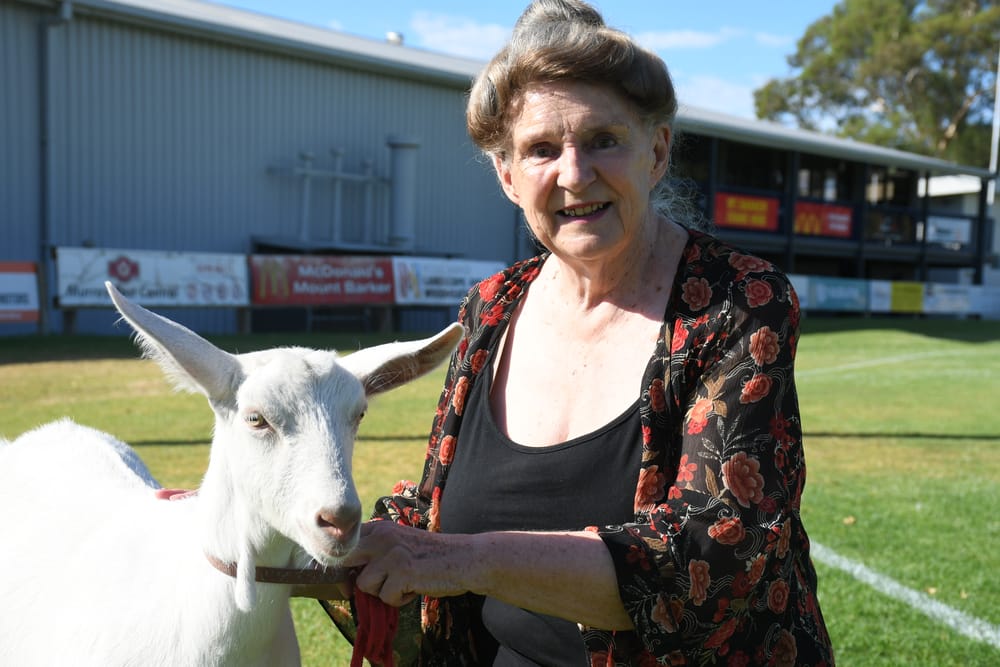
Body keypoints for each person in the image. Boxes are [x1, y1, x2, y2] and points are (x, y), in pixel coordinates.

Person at [319, 1, 836, 664]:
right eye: (540, 149)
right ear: (507, 176)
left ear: (656, 149)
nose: (573, 173)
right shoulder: (490, 308)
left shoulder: (740, 304)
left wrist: (464, 560)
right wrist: (288, 520)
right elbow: (436, 511)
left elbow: (710, 563)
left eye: (602, 139)